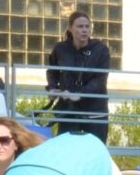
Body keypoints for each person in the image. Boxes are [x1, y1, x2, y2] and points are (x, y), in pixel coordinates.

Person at [45, 9, 111, 141]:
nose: (85, 30)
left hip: (94, 112)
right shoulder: (60, 48)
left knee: (93, 151)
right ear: (70, 28)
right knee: (66, 149)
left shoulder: (100, 49)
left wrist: (80, 94)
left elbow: (100, 79)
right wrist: (53, 88)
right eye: (80, 26)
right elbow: (52, 71)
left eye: (87, 26)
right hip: (69, 110)